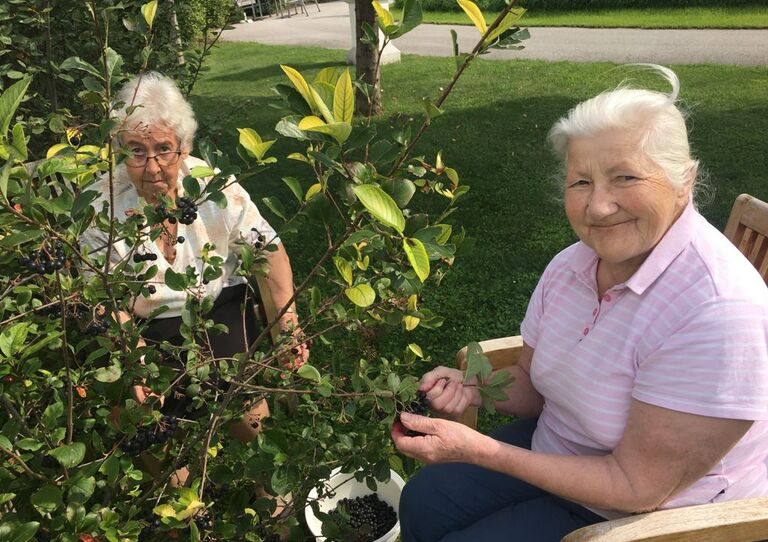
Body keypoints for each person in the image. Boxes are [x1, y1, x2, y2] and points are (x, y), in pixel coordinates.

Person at [391, 64, 768, 541]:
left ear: (684, 181)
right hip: (561, 448)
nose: (598, 207)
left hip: (642, 515)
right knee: (422, 500)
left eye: (625, 177)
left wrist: (478, 450)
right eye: (581, 182)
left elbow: (638, 487)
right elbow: (532, 382)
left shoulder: (717, 310)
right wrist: (474, 387)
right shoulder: (571, 266)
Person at [81, 72, 309, 481]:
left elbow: (266, 248)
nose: (152, 167)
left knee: (245, 407)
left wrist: (286, 326)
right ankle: (182, 505)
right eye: (136, 151)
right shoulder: (101, 206)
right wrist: (133, 362)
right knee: (148, 424)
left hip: (216, 306)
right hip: (142, 326)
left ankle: (269, 488)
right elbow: (105, 299)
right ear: (120, 151)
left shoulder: (211, 187)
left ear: (184, 148)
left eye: (164, 149)